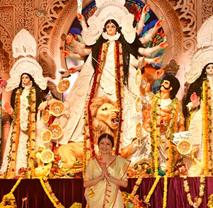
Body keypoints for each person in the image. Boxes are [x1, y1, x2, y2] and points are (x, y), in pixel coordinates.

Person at [60, 1, 165, 159]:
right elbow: (84, 53)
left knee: (123, 110)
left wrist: (146, 60)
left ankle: (121, 144)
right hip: (100, 82)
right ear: (104, 29)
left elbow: (134, 61)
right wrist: (78, 28)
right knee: (98, 111)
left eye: (113, 27)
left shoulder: (123, 46)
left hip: (119, 82)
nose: (110, 29)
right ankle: (96, 144)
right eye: (108, 27)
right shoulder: (99, 46)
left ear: (117, 29)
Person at [0, 73, 44, 178]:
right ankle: (17, 169)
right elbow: (14, 110)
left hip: (32, 124)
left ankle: (30, 167)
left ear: (30, 79)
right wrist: (11, 111)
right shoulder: (18, 91)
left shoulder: (36, 91)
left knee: (31, 144)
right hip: (18, 124)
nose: (24, 80)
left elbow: (39, 105)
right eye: (22, 78)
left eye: (26, 77)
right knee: (17, 144)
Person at [150, 73, 184, 176]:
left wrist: (179, 138)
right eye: (163, 82)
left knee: (167, 157)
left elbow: (180, 121)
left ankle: (167, 170)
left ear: (171, 88)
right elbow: (148, 116)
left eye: (165, 83)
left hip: (169, 136)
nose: (162, 84)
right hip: (155, 134)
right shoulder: (154, 100)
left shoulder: (175, 103)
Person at [183, 63, 213, 176]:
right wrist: (192, 104)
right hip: (204, 112)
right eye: (208, 68)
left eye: (212, 68)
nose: (211, 70)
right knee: (199, 133)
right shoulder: (201, 84)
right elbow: (196, 101)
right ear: (205, 71)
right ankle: (201, 163)